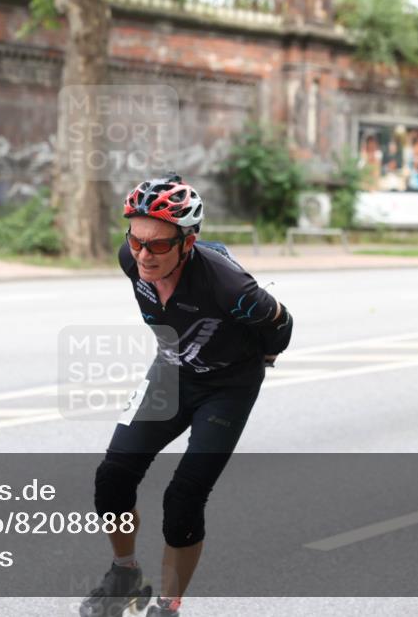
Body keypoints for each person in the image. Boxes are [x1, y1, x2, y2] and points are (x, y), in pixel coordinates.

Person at [79, 174, 294, 617]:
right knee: (113, 477)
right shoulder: (130, 259)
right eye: (136, 240)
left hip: (227, 388)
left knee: (183, 498)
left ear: (188, 242)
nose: (144, 255)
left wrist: (261, 360)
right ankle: (124, 574)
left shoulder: (230, 287)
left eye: (158, 245)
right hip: (171, 372)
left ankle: (169, 605)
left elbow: (282, 325)